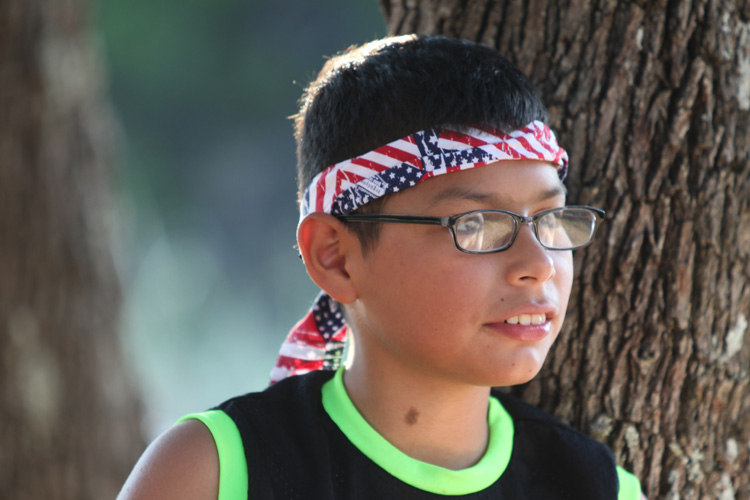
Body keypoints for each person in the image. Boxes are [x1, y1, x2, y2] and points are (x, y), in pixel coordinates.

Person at [118, 34, 647, 499]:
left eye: (550, 217)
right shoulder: (215, 473)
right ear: (336, 256)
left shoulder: (597, 487)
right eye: (479, 225)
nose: (538, 265)